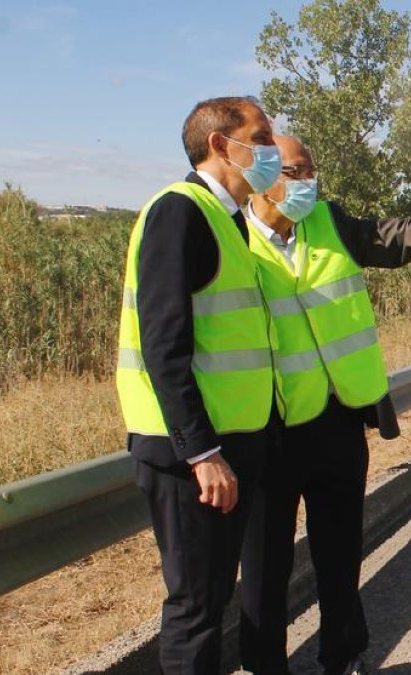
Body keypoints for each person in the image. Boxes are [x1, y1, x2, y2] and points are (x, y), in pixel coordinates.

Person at [239, 135, 411, 675]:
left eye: (311, 171)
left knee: (339, 553)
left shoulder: (328, 221)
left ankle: (344, 657)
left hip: (336, 420)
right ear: (259, 175)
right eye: (291, 170)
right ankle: (265, 666)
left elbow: (392, 236)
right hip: (269, 428)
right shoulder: (229, 238)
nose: (306, 182)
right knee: (265, 565)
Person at [116, 96, 281, 673]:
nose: (271, 148)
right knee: (194, 607)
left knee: (211, 601)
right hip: (191, 452)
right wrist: (203, 452)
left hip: (227, 442)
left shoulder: (229, 220)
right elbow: (164, 345)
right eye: (261, 136)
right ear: (220, 144)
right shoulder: (179, 210)